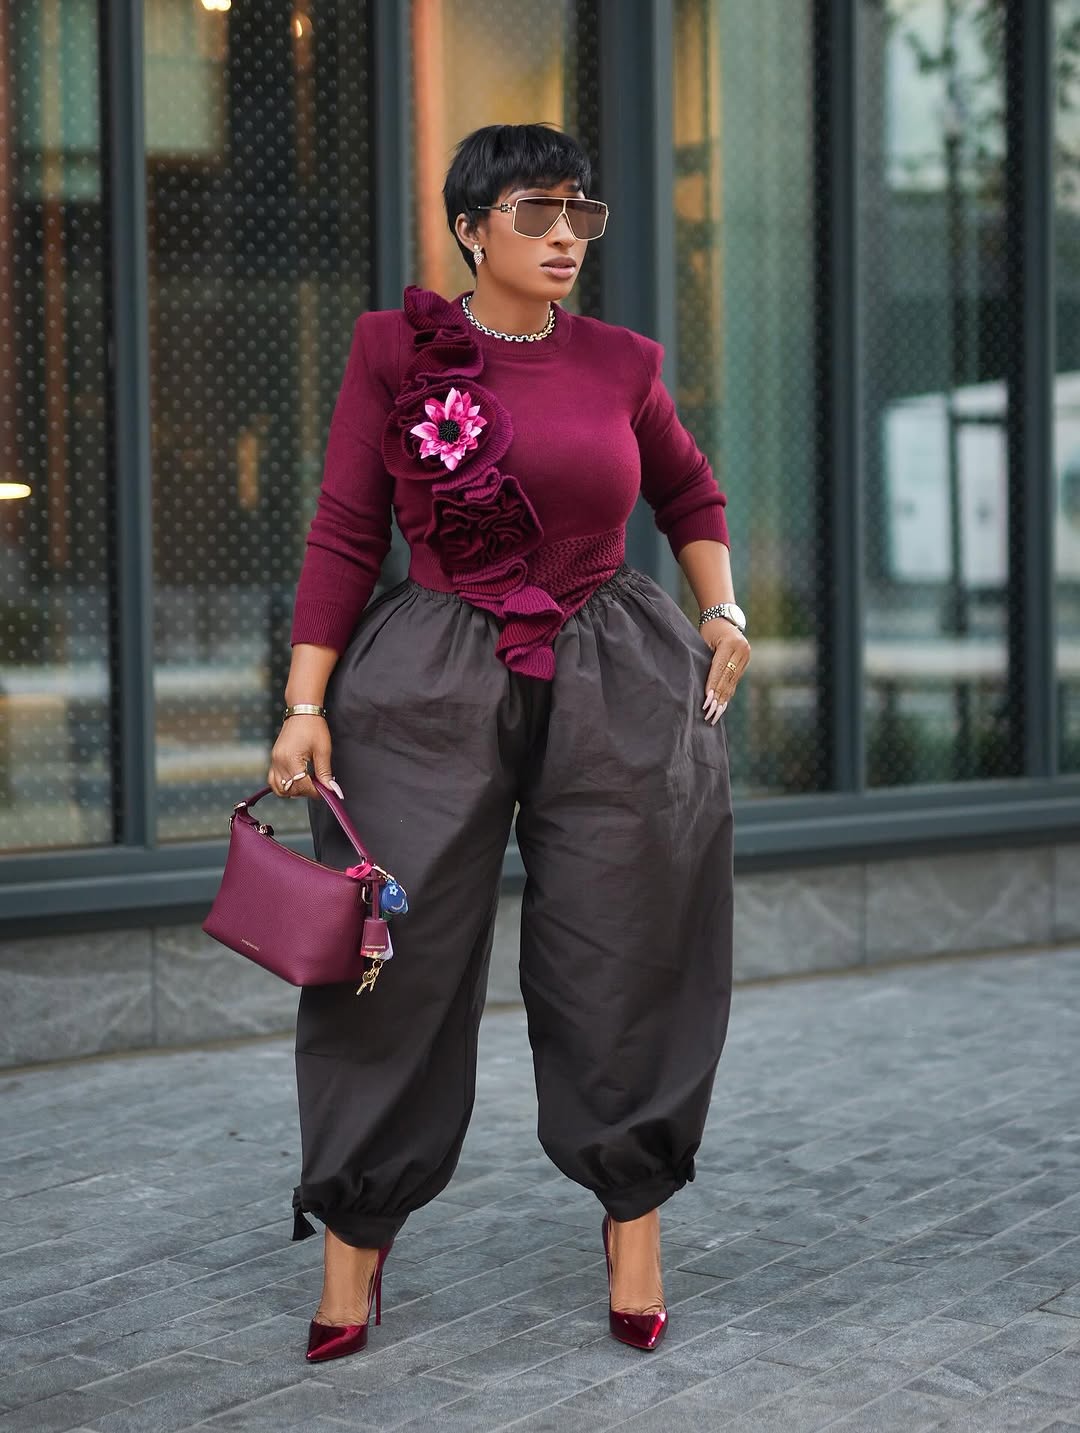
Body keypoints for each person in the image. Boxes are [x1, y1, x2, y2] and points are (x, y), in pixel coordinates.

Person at [268, 122, 749, 1362]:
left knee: (627, 947)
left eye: (581, 212)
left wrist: (724, 610)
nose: (564, 235)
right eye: (536, 211)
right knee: (392, 953)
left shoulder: (623, 361)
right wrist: (304, 701)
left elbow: (689, 491)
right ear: (471, 227)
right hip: (427, 678)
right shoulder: (393, 350)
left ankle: (634, 1230)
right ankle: (354, 1239)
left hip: (617, 672)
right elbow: (344, 527)